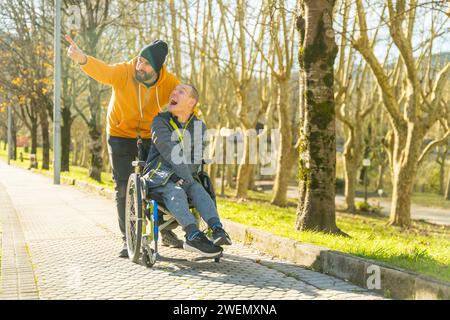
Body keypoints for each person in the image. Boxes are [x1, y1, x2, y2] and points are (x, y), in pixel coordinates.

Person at [66, 35, 184, 257]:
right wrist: (82, 59)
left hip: (152, 136)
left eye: (146, 63)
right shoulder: (125, 72)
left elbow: (185, 105)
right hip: (120, 133)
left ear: (158, 67)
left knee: (160, 182)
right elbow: (105, 71)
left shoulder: (170, 84)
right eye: (139, 59)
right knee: (123, 186)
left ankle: (166, 230)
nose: (139, 65)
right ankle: (127, 237)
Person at [143, 83, 232, 257]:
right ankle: (192, 235)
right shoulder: (159, 121)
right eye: (173, 90)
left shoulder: (199, 126)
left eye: (180, 91)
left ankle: (217, 229)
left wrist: (186, 177)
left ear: (192, 102)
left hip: (187, 176)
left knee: (199, 190)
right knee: (176, 191)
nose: (173, 92)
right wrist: (180, 176)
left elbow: (197, 158)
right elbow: (170, 151)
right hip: (159, 173)